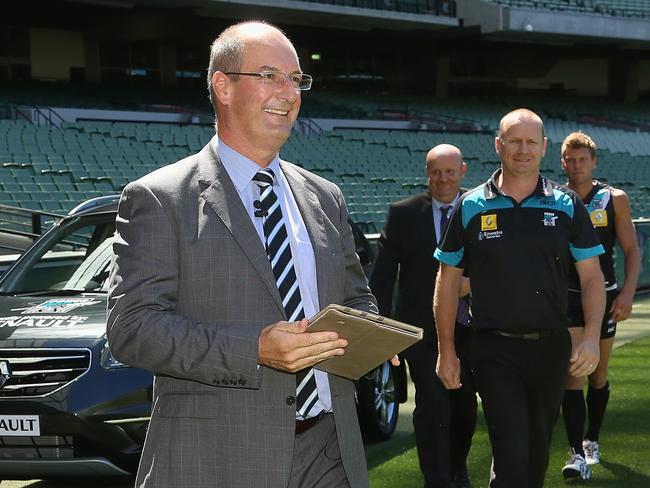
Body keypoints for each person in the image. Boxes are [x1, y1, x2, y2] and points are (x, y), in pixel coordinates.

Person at [107, 21, 382, 488]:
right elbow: (132, 330)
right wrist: (254, 348)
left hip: (330, 451)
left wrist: (371, 334)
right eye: (270, 75)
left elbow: (357, 298)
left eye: (297, 80)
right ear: (223, 86)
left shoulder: (325, 196)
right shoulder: (159, 198)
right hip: (220, 457)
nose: (289, 92)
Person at [434, 109, 606, 488]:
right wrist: (447, 350)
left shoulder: (566, 205)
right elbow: (447, 283)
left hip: (551, 349)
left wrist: (592, 335)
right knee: (511, 452)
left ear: (544, 148)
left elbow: (592, 277)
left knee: (536, 456)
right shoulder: (471, 206)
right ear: (499, 145)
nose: (522, 150)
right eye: (514, 141)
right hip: (493, 349)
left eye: (531, 142)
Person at [369, 144, 477, 488]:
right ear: (426, 173)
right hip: (420, 331)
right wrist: (382, 330)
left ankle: (458, 467)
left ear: (463, 171)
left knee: (463, 406)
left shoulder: (481, 209)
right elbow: (383, 277)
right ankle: (438, 480)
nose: (442, 179)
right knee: (431, 404)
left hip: (470, 328)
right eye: (435, 172)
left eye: (449, 171)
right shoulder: (402, 213)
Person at [559, 131, 640, 480]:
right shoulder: (554, 198)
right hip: (566, 297)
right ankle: (576, 452)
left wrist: (627, 293)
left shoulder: (613, 198)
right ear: (563, 162)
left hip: (604, 294)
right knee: (572, 373)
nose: (576, 166)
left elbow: (632, 250)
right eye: (570, 160)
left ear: (594, 162)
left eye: (582, 160)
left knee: (598, 372)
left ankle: (593, 438)